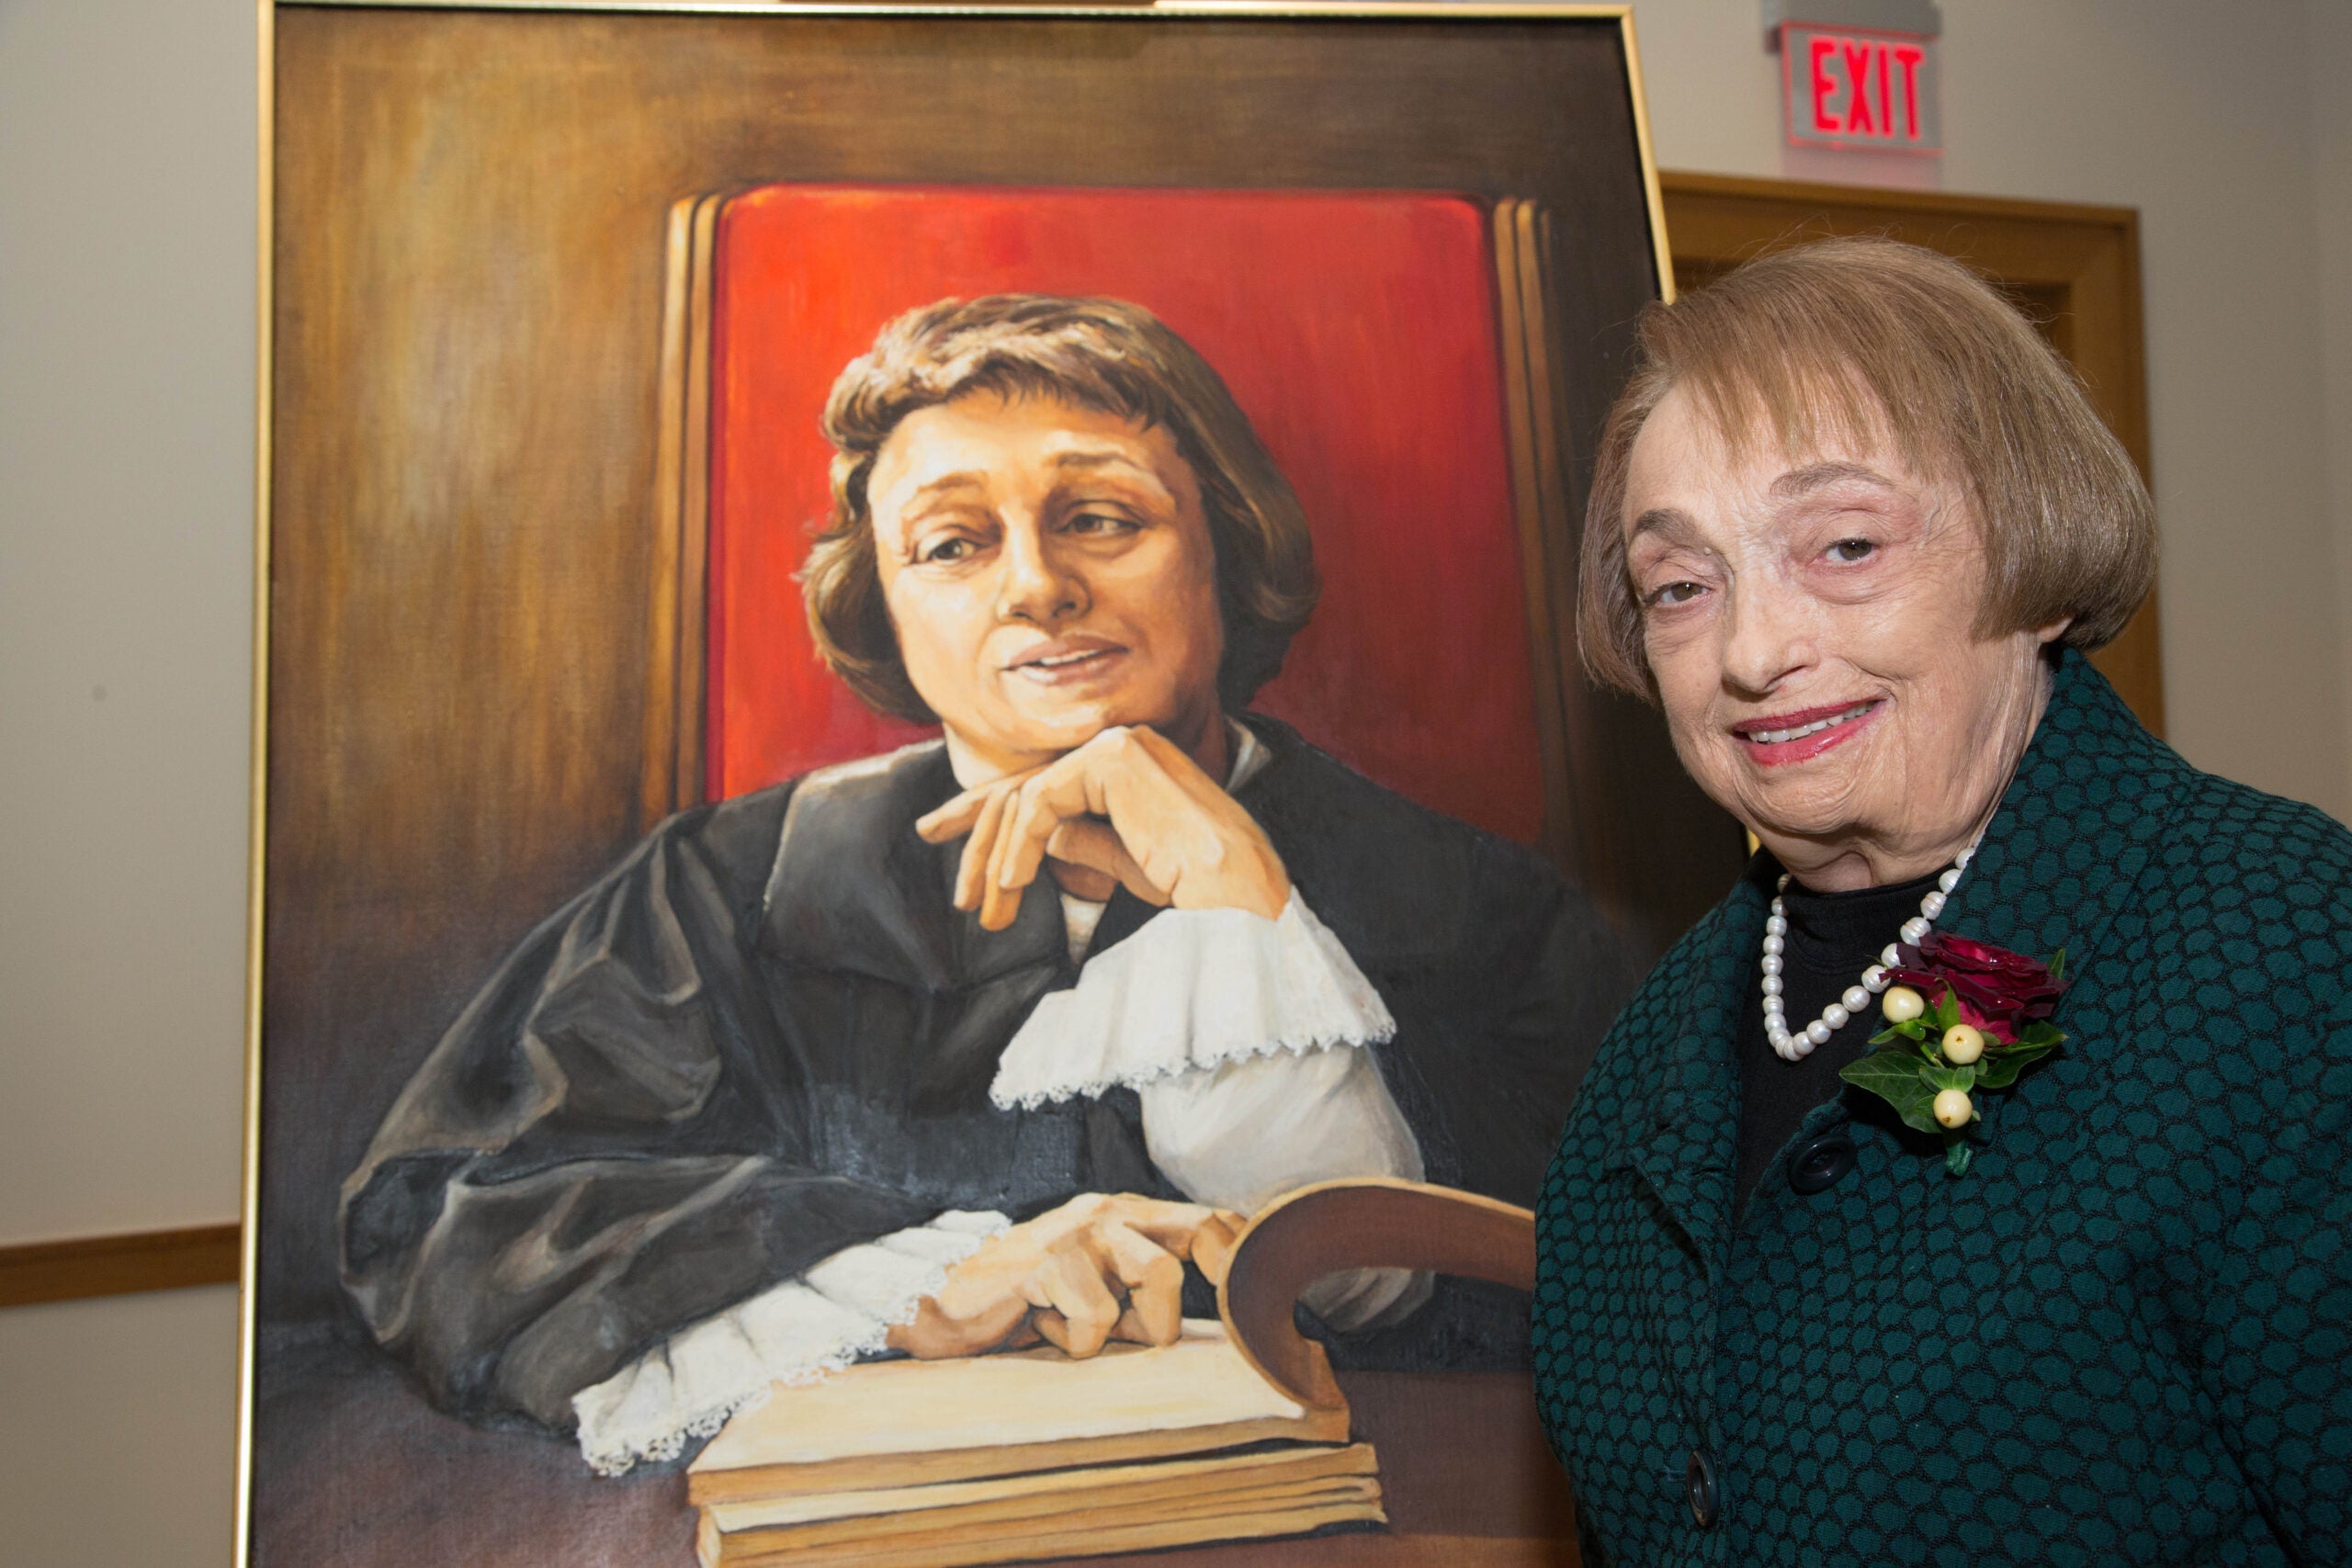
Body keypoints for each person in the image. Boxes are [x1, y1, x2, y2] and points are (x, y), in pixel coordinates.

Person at [342, 293, 1633, 1474]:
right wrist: (916, 1278)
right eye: (954, 544)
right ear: (885, 604)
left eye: (1101, 519)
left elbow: (1592, 1286)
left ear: (1226, 548)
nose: (1038, 589)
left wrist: (1240, 913)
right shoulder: (726, 891)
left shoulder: (1469, 908)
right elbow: (443, 1223)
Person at [1532, 235, 2352, 1565]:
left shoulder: (2284, 955)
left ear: (2032, 552)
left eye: (1846, 545)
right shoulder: (1649, 1059)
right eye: (1681, 588)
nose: (1751, 651)